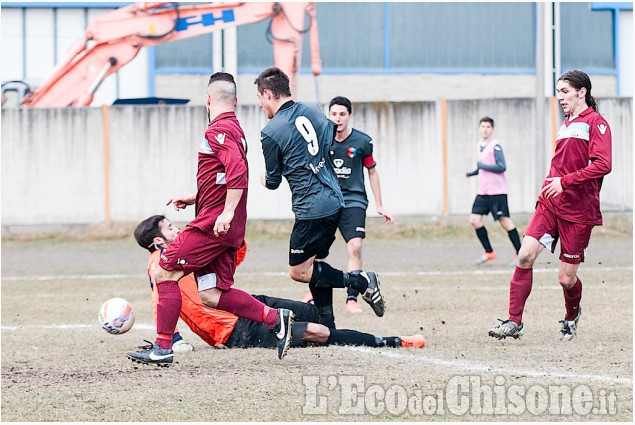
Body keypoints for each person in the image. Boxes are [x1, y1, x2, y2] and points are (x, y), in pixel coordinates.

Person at [126, 72, 294, 366]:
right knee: (212, 294)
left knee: (163, 272)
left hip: (214, 225)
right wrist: (196, 197)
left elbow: (237, 172)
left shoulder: (218, 131)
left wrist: (225, 212)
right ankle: (274, 318)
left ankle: (163, 347)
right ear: (236, 101)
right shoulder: (234, 128)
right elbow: (221, 176)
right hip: (225, 224)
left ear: (207, 99)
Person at [132, 215, 425, 353]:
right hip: (235, 330)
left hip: (245, 302)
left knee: (312, 301)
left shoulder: (183, 252)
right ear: (158, 241)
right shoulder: (161, 267)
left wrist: (230, 242)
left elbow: (227, 265)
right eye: (171, 228)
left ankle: (355, 280)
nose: (178, 228)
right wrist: (174, 341)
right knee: (319, 332)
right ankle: (390, 341)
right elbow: (163, 303)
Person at [254, 67, 385, 329]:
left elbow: (272, 181)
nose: (260, 105)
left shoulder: (270, 131)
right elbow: (327, 142)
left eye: (259, 98)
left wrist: (262, 177)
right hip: (335, 198)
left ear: (268, 94)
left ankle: (361, 281)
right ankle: (328, 322)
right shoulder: (312, 109)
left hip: (311, 208)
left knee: (298, 271)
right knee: (317, 261)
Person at [488, 70, 612, 342]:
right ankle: (514, 322)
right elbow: (561, 162)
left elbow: (603, 165)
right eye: (558, 91)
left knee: (566, 279)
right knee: (524, 255)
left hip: (579, 212)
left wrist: (564, 182)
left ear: (582, 92)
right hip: (551, 203)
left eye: (565, 91)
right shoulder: (566, 123)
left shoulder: (597, 123)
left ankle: (571, 316)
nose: (560, 97)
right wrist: (551, 185)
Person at [315, 96, 394, 314]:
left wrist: (379, 205)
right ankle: (314, 293)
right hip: (327, 200)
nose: (338, 118)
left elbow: (372, 171)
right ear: (328, 115)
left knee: (355, 246)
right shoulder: (321, 139)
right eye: (333, 114)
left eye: (342, 114)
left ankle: (352, 298)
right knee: (318, 253)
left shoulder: (363, 141)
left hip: (353, 199)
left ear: (350, 116)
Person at [465, 117, 522, 266]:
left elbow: (501, 166)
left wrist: (482, 166)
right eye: (483, 126)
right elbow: (483, 167)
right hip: (483, 192)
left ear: (492, 129)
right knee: (474, 220)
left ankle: (520, 253)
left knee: (505, 222)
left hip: (497, 192)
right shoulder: (479, 145)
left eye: (488, 127)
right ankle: (489, 252)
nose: (485, 129)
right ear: (479, 129)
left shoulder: (496, 146)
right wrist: (473, 173)